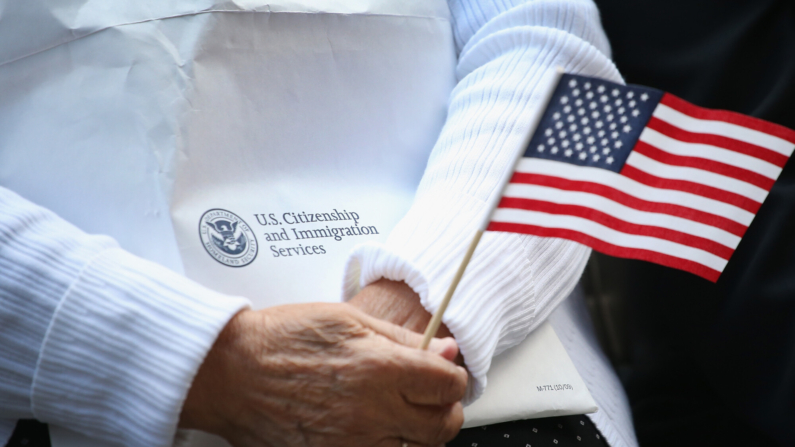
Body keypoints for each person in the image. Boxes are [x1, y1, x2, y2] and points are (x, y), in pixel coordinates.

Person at [0, 0, 637, 446]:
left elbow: (556, 50)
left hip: (496, 385)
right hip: (78, 409)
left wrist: (408, 315)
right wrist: (203, 363)